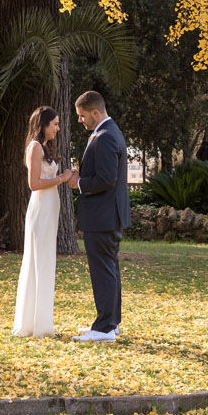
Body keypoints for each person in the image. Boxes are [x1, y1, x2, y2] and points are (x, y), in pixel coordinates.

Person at [66, 91, 129, 342]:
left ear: (95, 112)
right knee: (109, 269)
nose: (80, 120)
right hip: (108, 215)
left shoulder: (104, 137)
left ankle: (103, 328)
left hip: (102, 216)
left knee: (103, 271)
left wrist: (79, 184)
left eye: (82, 116)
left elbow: (105, 179)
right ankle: (111, 323)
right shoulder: (111, 132)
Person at [12, 106, 74, 337]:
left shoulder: (45, 147)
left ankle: (41, 321)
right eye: (55, 124)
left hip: (50, 211)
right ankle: (34, 324)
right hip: (40, 211)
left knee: (46, 262)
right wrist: (61, 178)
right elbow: (34, 184)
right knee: (38, 262)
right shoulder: (34, 147)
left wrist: (67, 176)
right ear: (44, 124)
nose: (58, 128)